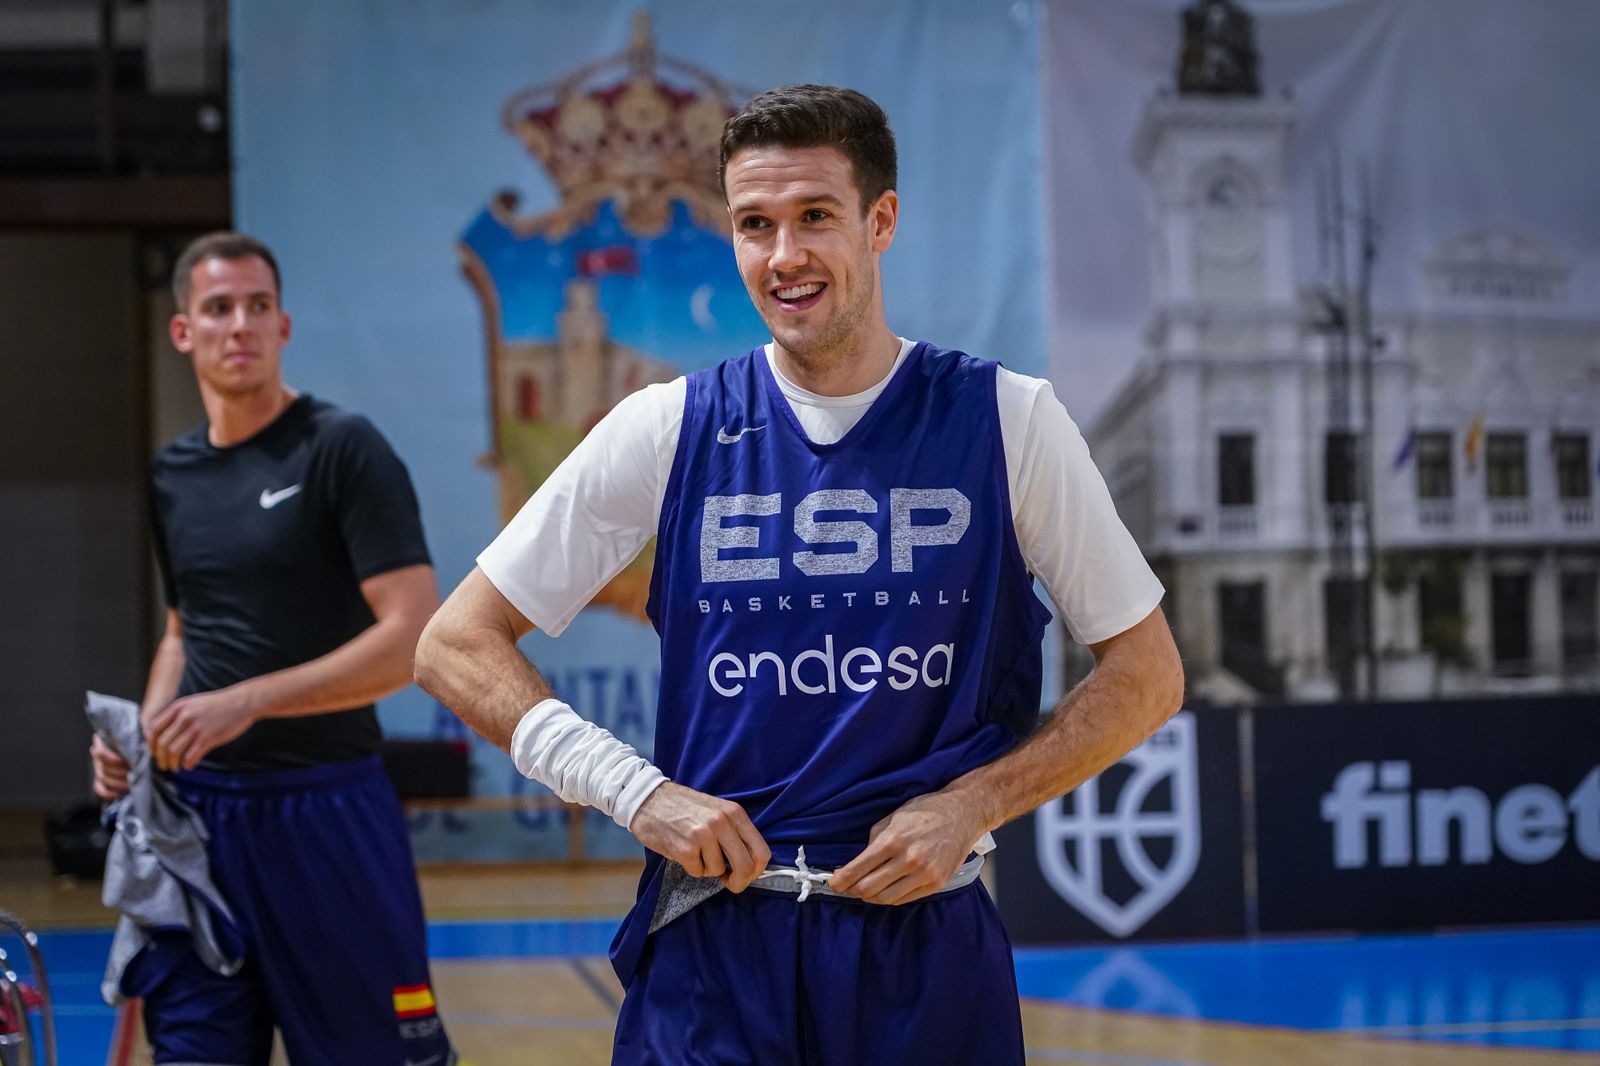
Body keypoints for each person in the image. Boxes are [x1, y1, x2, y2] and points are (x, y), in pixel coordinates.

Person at [414, 84, 1184, 1064]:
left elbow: (1147, 673)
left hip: (923, 947)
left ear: (881, 221)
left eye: (814, 217)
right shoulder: (669, 425)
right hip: (717, 945)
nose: (783, 257)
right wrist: (635, 791)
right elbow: (452, 644)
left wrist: (973, 804)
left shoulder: (1007, 419)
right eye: (753, 225)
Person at [89, 232, 456, 1066]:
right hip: (198, 827)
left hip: (327, 815)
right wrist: (143, 741)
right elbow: (185, 631)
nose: (240, 325)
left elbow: (412, 640)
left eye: (258, 307)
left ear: (283, 327)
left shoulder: (341, 448)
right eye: (218, 309)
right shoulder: (171, 476)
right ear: (184, 331)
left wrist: (249, 699)